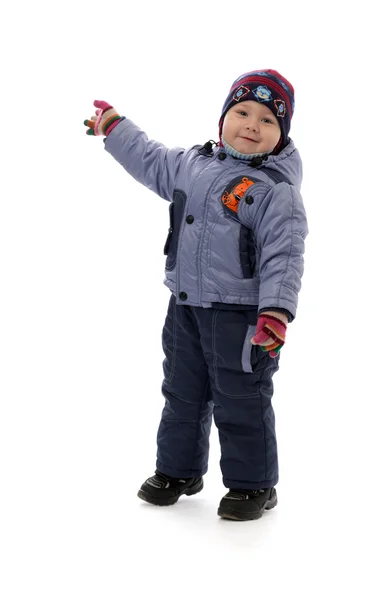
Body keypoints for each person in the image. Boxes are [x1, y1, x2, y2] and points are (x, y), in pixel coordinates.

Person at [84, 69, 308, 521]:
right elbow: (149, 159)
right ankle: (178, 470)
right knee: (181, 391)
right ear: (222, 118)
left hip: (242, 316)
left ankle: (254, 484)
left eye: (267, 120)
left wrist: (276, 312)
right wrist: (115, 128)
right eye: (242, 112)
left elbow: (284, 255)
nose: (251, 124)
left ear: (281, 135)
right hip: (185, 305)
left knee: (241, 395)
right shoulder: (193, 164)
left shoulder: (275, 192)